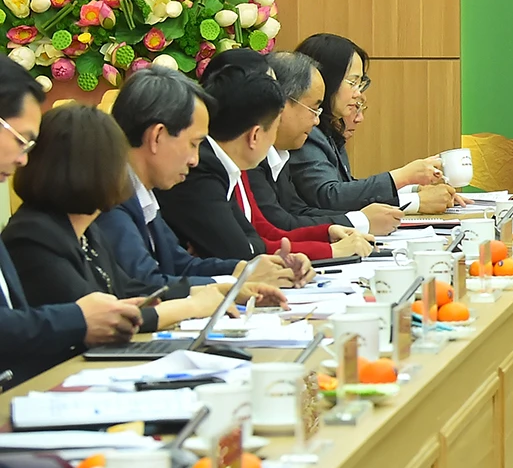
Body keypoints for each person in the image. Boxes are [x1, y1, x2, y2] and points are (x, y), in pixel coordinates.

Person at [2, 103, 232, 333]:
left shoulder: (87, 231)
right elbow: (101, 320)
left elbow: (132, 289)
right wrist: (191, 306)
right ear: (96, 168)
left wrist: (205, 291)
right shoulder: (33, 235)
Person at [95, 67, 299, 296]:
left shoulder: (142, 192)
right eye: (193, 144)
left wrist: (247, 269)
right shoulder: (111, 198)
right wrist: (231, 286)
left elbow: (181, 264)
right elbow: (146, 285)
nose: (195, 160)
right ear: (157, 137)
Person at [157, 50, 371, 263]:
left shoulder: (232, 163)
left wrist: (327, 233)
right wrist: (331, 250)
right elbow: (242, 251)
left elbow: (259, 233)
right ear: (255, 134)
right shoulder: (205, 166)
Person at [0, 63, 140, 379]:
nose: (23, 159)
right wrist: (79, 319)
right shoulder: (32, 234)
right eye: (21, 140)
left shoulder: (89, 233)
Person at [289, 33, 452, 215]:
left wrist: (412, 187)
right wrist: (403, 177)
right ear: (325, 80)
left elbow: (347, 187)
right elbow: (329, 196)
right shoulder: (306, 133)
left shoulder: (328, 131)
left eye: (361, 83)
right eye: (352, 82)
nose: (358, 93)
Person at [254, 51, 403, 236]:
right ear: (281, 103)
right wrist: (359, 221)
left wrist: (359, 219)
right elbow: (280, 224)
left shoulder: (279, 154)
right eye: (314, 109)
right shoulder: (252, 160)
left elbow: (298, 211)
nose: (316, 121)